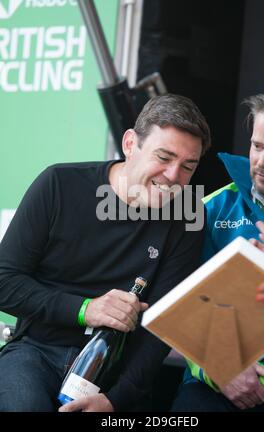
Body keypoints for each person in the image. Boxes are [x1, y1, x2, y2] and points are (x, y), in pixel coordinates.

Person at [0, 94, 211, 412]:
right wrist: (85, 309)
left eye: (187, 167)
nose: (172, 176)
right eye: (164, 157)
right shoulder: (60, 184)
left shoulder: (187, 214)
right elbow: (4, 281)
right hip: (37, 350)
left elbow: (163, 322)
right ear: (130, 144)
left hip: (117, 372)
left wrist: (117, 398)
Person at [171, 89, 264, 412]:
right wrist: (219, 365)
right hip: (214, 382)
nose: (261, 162)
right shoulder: (212, 210)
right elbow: (174, 306)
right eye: (257, 146)